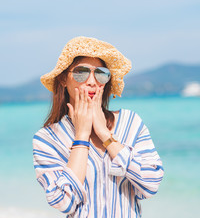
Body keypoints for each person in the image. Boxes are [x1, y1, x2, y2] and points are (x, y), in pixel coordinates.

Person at [33, 36, 164, 217]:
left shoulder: (130, 122)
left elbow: (151, 184)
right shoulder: (48, 138)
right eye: (81, 72)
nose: (92, 81)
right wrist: (81, 135)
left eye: (101, 73)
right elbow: (64, 202)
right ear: (63, 79)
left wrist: (105, 136)